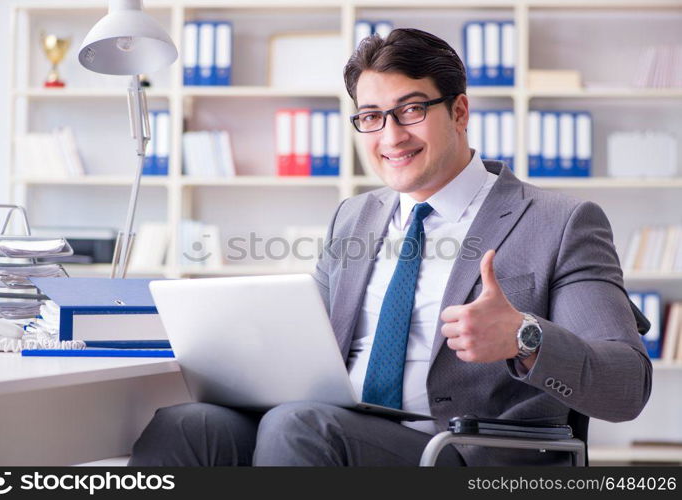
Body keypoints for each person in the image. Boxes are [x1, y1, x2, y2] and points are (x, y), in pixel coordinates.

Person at [129, 28, 651, 467]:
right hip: (339, 425)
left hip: (465, 449)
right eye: (372, 115)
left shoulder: (561, 222)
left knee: (299, 426)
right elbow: (309, 341)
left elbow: (626, 385)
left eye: (412, 110)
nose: (391, 136)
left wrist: (525, 336)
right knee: (186, 425)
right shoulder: (354, 216)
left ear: (460, 111)